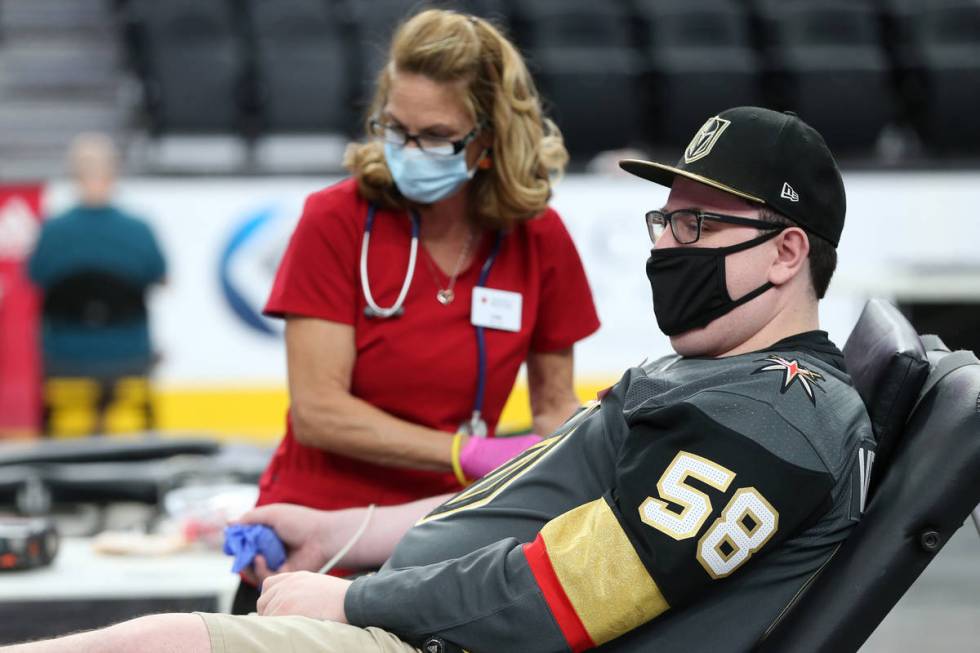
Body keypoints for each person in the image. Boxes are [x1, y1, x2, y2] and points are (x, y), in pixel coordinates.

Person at [4, 107, 875, 653]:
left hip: (443, 636)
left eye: (694, 223)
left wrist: (356, 599)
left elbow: (567, 596)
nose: (663, 245)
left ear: (788, 249)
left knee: (152, 642)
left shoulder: (775, 416)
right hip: (429, 614)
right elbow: (527, 497)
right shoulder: (708, 376)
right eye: (664, 218)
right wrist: (342, 530)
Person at [232, 9, 601, 609]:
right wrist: (467, 453)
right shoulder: (336, 220)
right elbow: (319, 413)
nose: (407, 150)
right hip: (311, 539)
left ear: (489, 139)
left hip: (443, 541)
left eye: (433, 136)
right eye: (394, 128)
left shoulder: (539, 238)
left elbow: (554, 412)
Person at [27, 132, 166, 434]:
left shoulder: (52, 231)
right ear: (113, 172)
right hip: (128, 352)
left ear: (74, 174)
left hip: (66, 354)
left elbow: (36, 279)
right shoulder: (138, 230)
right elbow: (162, 278)